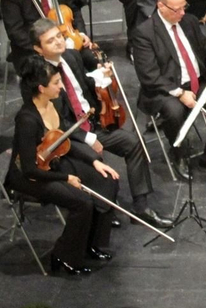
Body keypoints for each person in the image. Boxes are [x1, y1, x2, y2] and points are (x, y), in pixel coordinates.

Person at [26, 18, 169, 230]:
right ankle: (103, 206)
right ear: (38, 49)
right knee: (94, 159)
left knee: (133, 143)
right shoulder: (39, 77)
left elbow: (83, 86)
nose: (58, 42)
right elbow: (55, 123)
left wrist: (101, 78)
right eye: (50, 41)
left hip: (93, 121)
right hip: (68, 138)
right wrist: (88, 138)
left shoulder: (71, 56)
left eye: (59, 36)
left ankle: (141, 205)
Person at [7, 64, 121, 277]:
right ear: (41, 88)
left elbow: (62, 141)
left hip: (53, 163)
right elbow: (30, 169)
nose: (61, 86)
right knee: (82, 202)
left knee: (107, 180)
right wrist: (66, 178)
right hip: (28, 177)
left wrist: (94, 161)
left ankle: (91, 245)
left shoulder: (53, 104)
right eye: (56, 83)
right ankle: (64, 256)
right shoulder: (27, 120)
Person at [130, 0, 206, 179]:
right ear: (161, 6)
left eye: (184, 6)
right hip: (164, 90)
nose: (183, 12)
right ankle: (179, 155)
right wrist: (180, 93)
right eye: (177, 9)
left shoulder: (188, 21)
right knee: (174, 111)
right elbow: (149, 76)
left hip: (196, 83)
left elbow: (205, 49)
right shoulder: (144, 33)